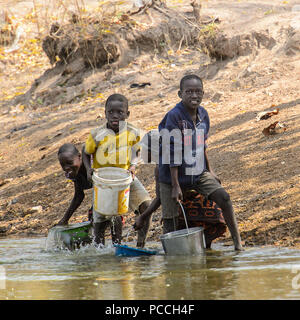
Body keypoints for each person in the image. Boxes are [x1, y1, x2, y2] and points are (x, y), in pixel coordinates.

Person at [157, 74, 243, 250]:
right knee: (171, 220)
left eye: (198, 92)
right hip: (171, 176)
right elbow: (172, 151)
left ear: (203, 93)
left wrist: (210, 170)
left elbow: (202, 144)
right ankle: (172, 256)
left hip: (197, 170)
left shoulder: (204, 115)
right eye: (189, 92)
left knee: (224, 198)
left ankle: (238, 245)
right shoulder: (174, 116)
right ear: (180, 94)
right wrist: (175, 185)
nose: (194, 96)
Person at [134, 130, 227, 249]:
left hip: (191, 209)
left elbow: (160, 198)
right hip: (213, 210)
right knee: (202, 247)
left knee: (173, 234)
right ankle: (205, 249)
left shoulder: (160, 168)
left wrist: (143, 216)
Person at [83, 93, 152, 248]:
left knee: (146, 205)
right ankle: (101, 252)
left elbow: (137, 150)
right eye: (111, 112)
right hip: (103, 181)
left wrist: (133, 165)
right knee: (102, 220)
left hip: (125, 177)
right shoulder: (97, 134)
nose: (115, 116)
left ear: (127, 114)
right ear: (105, 112)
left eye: (120, 112)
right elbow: (85, 152)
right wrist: (89, 170)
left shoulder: (132, 131)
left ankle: (141, 245)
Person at [57, 143, 122, 245]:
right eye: (62, 165)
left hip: (116, 183)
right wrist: (65, 219)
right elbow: (79, 195)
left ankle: (118, 245)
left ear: (80, 157)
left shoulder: (93, 164)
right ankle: (100, 250)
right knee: (94, 218)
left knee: (112, 213)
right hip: (101, 191)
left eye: (69, 163)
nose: (66, 168)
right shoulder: (74, 172)